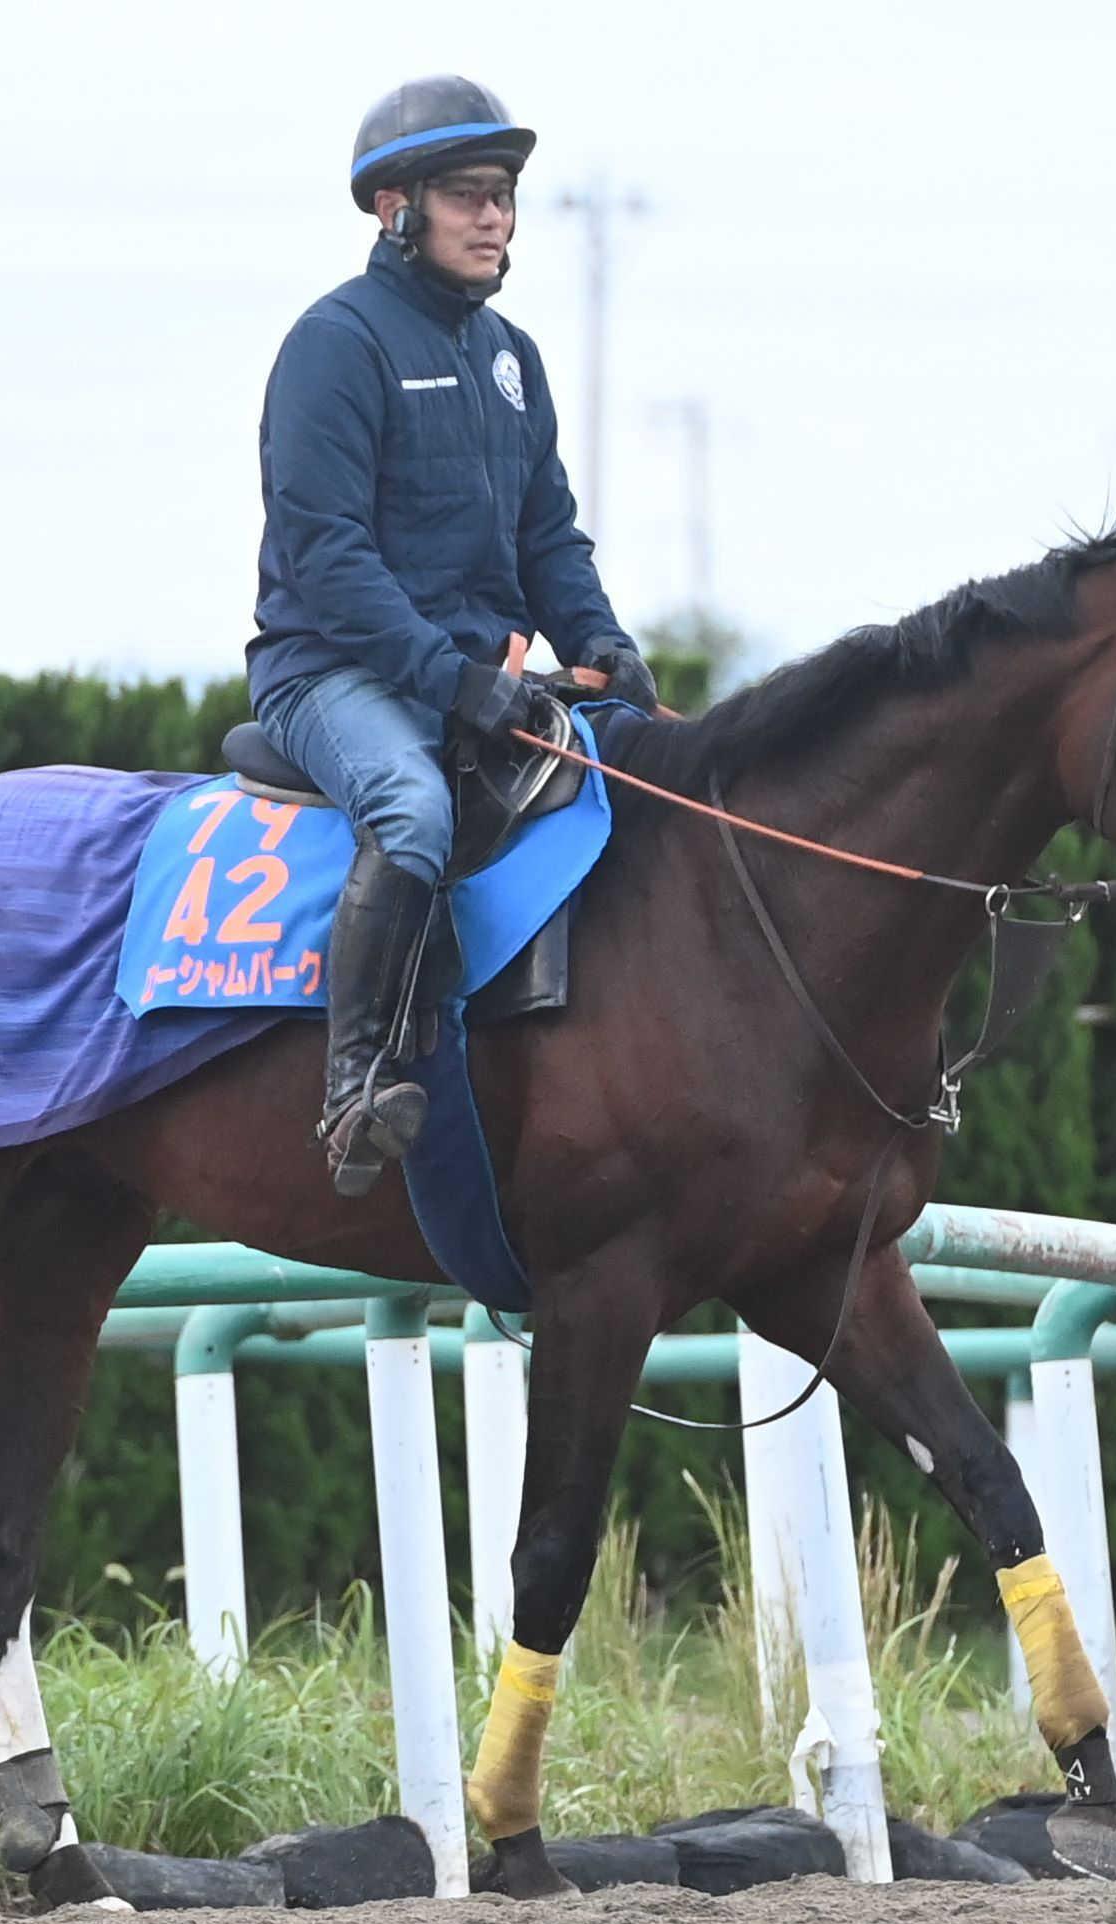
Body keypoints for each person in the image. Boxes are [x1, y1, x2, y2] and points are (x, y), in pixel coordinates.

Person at [248, 74, 656, 1197]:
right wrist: (449, 680)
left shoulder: (511, 358)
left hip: (470, 675)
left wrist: (607, 647)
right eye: (470, 195)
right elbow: (329, 563)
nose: (496, 218)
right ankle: (355, 1086)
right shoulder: (334, 345)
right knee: (416, 810)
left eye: (507, 195)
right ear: (395, 207)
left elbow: (550, 540)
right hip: (328, 670)